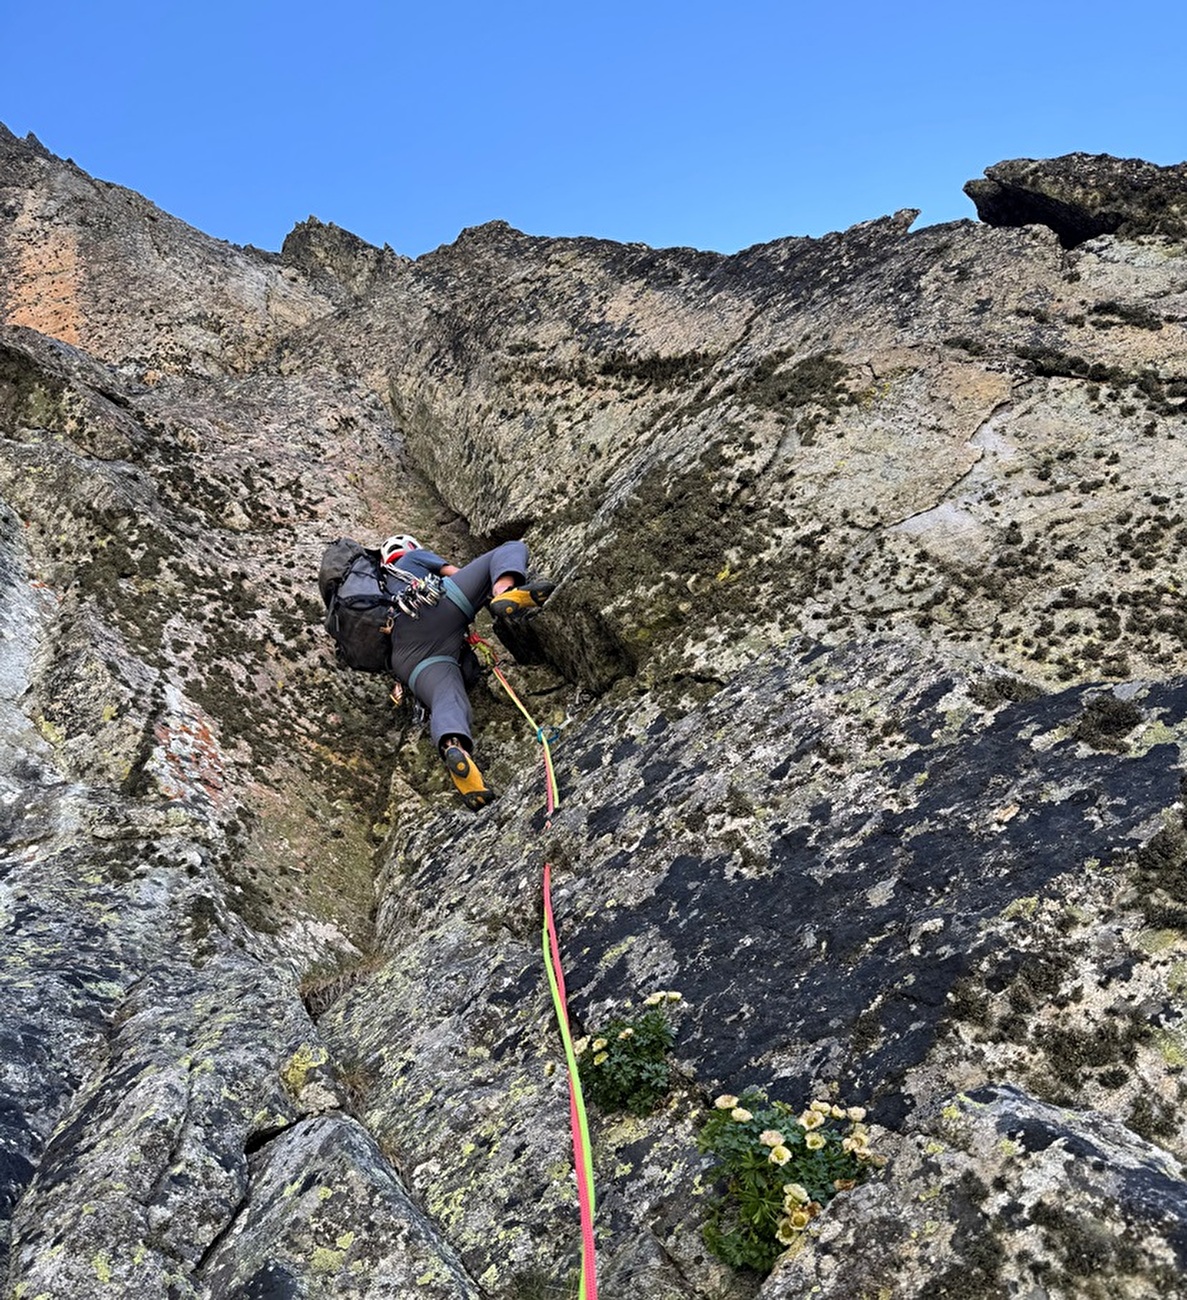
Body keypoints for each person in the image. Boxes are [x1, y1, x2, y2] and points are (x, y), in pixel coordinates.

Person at [380, 533, 554, 810]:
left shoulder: (378, 593)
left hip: (406, 658)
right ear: (409, 548)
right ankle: (505, 591)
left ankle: (454, 748)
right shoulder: (413, 558)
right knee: (510, 548)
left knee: (445, 698)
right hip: (432, 608)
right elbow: (455, 574)